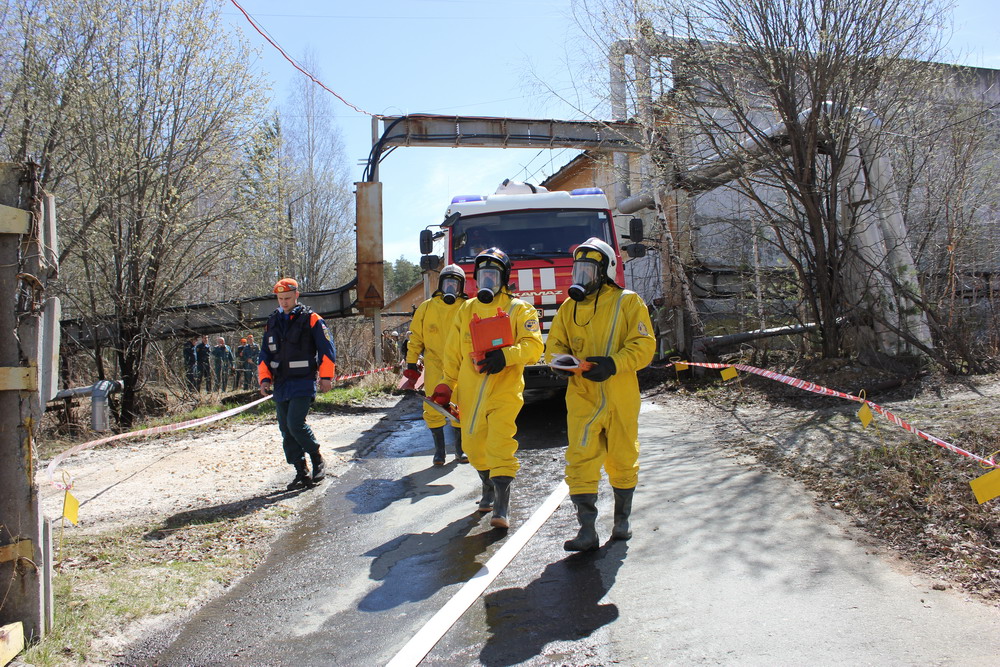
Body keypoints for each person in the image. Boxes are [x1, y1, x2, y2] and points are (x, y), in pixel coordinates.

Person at [545, 237, 655, 551]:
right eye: (577, 270)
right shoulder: (569, 308)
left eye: (588, 270)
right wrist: (559, 364)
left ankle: (622, 523)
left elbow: (644, 346)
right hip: (582, 397)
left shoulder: (628, 302)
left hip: (620, 394)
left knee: (623, 457)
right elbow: (555, 344)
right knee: (580, 460)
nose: (580, 276)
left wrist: (612, 364)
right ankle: (587, 531)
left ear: (604, 271)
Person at [435, 248, 544, 530]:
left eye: (493, 275)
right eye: (483, 275)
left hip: (504, 391)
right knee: (472, 445)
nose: (488, 281)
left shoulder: (520, 309)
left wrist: (505, 356)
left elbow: (534, 346)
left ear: (504, 278)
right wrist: (447, 384)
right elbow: (453, 353)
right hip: (470, 395)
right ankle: (487, 485)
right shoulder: (466, 310)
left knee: (500, 444)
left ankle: (502, 505)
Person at [258, 278, 337, 490]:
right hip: (281, 383)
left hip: (303, 380)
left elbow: (327, 350)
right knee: (285, 429)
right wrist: (264, 379)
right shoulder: (272, 321)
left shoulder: (312, 319)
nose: (283, 302)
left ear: (296, 296)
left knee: (295, 424)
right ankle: (301, 471)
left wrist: (326, 377)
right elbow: (264, 354)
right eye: (280, 298)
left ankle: (317, 458)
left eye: (287, 298)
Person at [403, 264, 470, 466]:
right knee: (433, 406)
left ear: (461, 287)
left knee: (461, 407)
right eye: (447, 282)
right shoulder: (427, 307)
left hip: (461, 366)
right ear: (441, 284)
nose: (451, 287)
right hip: (434, 365)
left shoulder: (467, 307)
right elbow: (415, 338)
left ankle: (460, 450)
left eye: (455, 283)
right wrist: (411, 362)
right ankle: (439, 451)